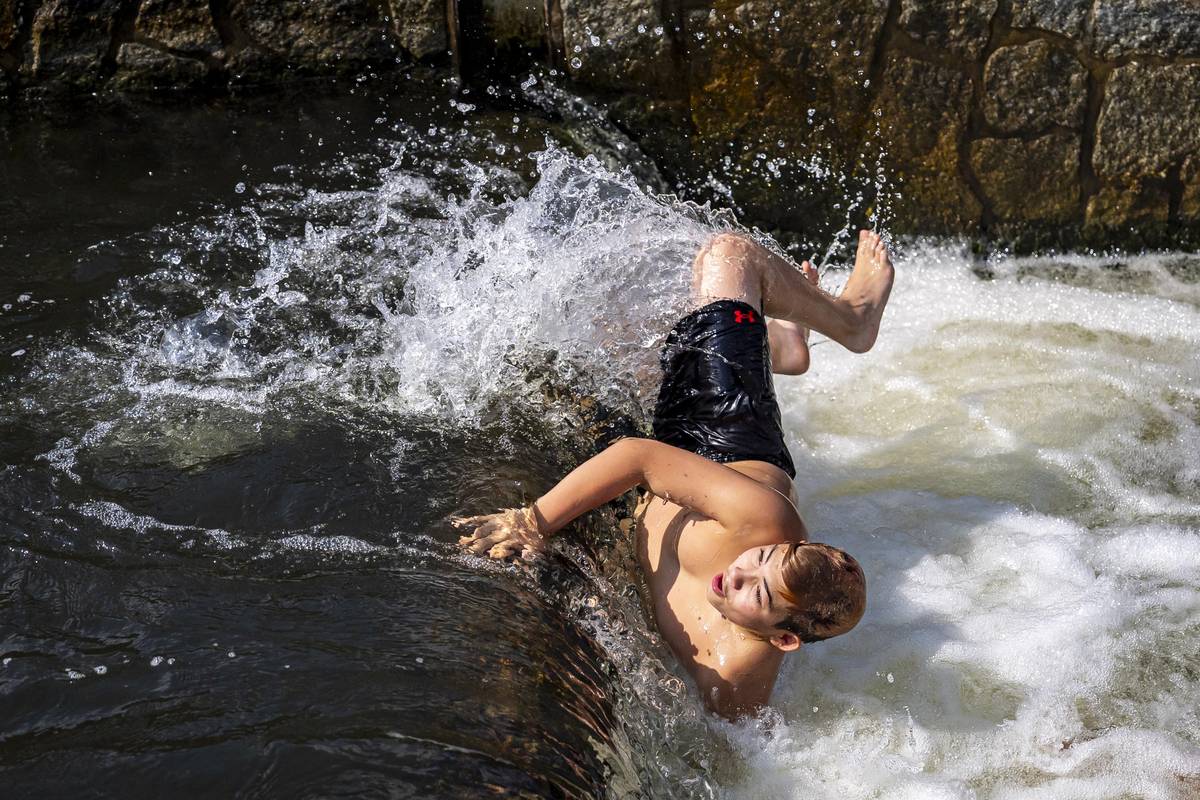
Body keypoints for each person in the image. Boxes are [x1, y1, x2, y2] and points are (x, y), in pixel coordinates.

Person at [454, 229, 895, 719]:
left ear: (784, 639)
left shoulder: (735, 679)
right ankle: (852, 320)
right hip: (722, 438)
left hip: (656, 492)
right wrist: (531, 522)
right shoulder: (761, 518)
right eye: (762, 556)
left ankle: (780, 346)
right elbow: (636, 457)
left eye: (757, 592)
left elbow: (730, 749)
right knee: (728, 255)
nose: (739, 573)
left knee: (603, 347)